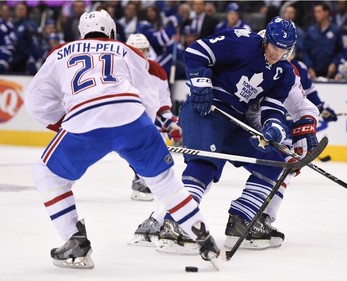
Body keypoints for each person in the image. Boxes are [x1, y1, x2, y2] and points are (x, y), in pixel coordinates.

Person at [24, 10, 219, 269]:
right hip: (133, 117)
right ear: (112, 32)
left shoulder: (61, 51)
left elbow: (36, 99)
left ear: (81, 33)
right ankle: (203, 237)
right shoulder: (127, 51)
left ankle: (75, 241)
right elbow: (148, 95)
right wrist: (146, 130)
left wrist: (62, 124)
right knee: (165, 183)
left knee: (47, 175)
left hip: (86, 120)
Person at [130, 17, 319, 253]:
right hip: (206, 111)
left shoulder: (284, 73)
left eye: (282, 49)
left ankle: (242, 221)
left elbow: (273, 108)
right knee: (204, 165)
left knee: (273, 163)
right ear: (266, 40)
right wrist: (201, 84)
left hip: (236, 122)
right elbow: (196, 51)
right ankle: (173, 222)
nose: (275, 52)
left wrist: (273, 129)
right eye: (272, 46)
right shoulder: (242, 41)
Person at [125, 33, 182, 201]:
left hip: (147, 120)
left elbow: (162, 104)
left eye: (144, 51)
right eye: (136, 51)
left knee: (154, 146)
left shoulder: (157, 70)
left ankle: (143, 178)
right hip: (124, 118)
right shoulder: (119, 68)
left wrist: (171, 124)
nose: (141, 55)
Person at [302, 2, 344, 80]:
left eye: (319, 11)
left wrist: (335, 63)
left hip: (330, 72)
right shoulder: (311, 31)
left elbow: (340, 51)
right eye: (315, 12)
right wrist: (309, 67)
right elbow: (305, 51)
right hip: (313, 72)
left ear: (326, 13)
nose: (316, 14)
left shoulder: (336, 30)